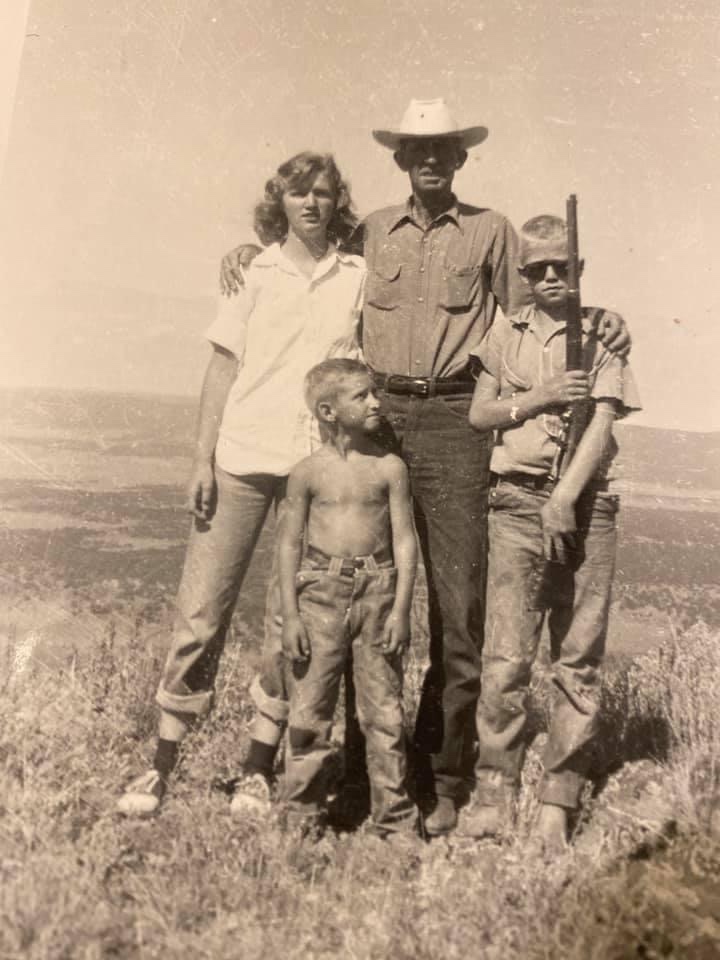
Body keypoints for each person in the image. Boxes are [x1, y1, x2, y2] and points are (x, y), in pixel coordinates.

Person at [220, 98, 631, 836]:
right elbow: (306, 246)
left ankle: (443, 776)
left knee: (457, 607)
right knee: (361, 594)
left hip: (454, 421)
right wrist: (248, 251)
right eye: (419, 150)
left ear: (461, 157)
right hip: (375, 415)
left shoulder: (492, 230)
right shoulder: (372, 230)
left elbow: (540, 312)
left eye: (444, 148)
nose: (432, 160)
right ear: (402, 160)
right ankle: (361, 774)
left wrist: (599, 318)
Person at [117, 152, 365, 817]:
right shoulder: (251, 271)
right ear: (279, 200)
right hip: (241, 456)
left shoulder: (357, 276)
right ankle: (160, 764)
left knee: (289, 618)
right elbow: (223, 368)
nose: (310, 203)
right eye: (298, 192)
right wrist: (202, 460)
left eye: (323, 193)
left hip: (314, 466)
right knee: (202, 609)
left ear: (337, 202)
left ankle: (257, 767)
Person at [461, 214, 641, 852]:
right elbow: (481, 414)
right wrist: (539, 397)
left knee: (577, 659)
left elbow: (603, 422)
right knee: (505, 659)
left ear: (579, 269)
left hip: (587, 508)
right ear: (523, 274)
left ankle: (558, 802)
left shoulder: (602, 334)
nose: (548, 278)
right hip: (514, 505)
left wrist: (565, 498)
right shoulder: (504, 332)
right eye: (536, 269)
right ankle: (492, 794)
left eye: (561, 266)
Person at [276, 359, 417, 836]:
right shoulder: (307, 474)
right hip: (320, 595)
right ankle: (300, 816)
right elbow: (289, 544)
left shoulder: (389, 468)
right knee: (310, 709)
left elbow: (404, 541)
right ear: (328, 411)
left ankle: (395, 820)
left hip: (378, 593)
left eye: (374, 392)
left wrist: (401, 609)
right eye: (362, 396)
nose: (376, 402)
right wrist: (291, 616)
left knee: (384, 712)